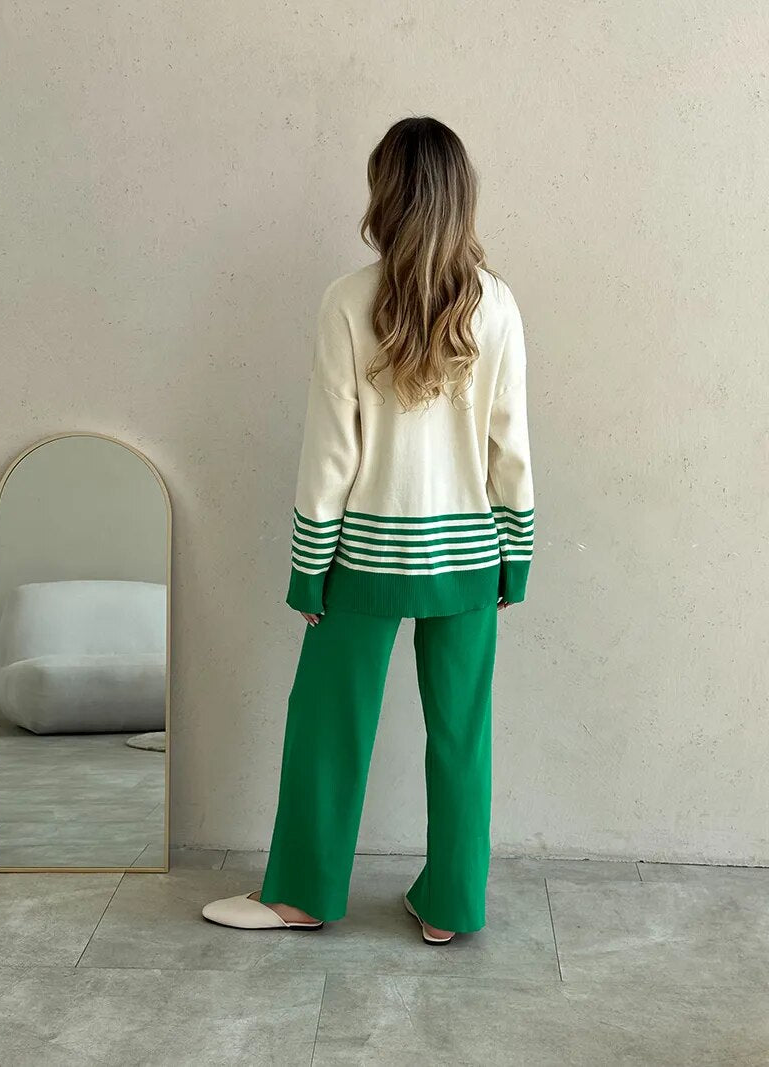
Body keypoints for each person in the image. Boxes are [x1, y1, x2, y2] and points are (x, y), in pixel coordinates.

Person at [203, 116, 535, 945]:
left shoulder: (348, 300)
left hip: (364, 558)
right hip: (470, 555)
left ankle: (301, 895)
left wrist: (308, 569)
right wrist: (516, 558)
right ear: (461, 197)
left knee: (327, 721)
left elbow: (330, 452)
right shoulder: (497, 304)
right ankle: (451, 906)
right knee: (462, 735)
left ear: (386, 193)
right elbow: (511, 446)